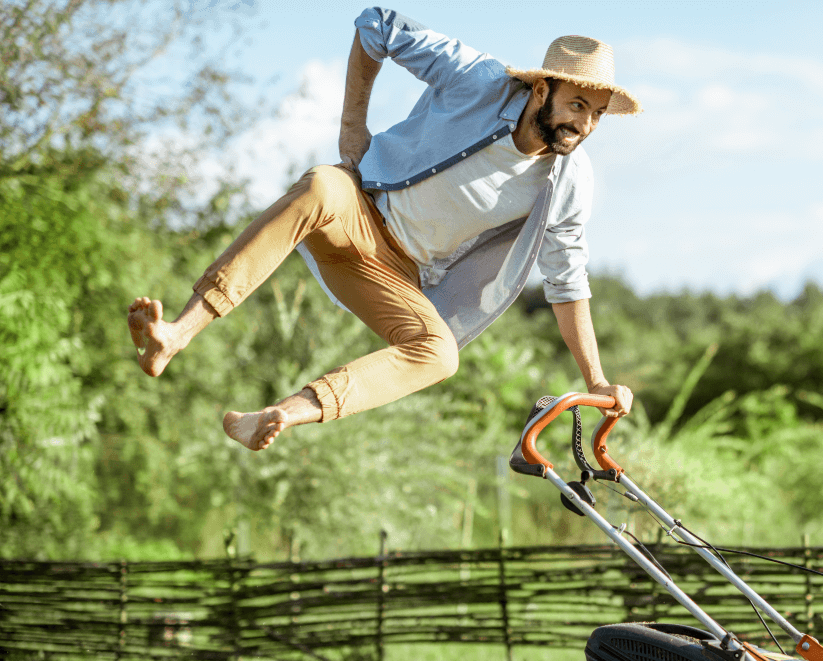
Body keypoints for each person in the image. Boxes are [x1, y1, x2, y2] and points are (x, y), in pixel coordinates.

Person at [127, 7, 637, 451]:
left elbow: (568, 285)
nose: (585, 125)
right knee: (322, 185)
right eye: (576, 106)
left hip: (398, 275)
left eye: (596, 115)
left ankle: (276, 415)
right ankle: (175, 335)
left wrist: (597, 379)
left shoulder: (569, 181)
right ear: (542, 89)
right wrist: (352, 124)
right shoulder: (479, 78)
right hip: (355, 213)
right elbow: (377, 25)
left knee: (440, 355)